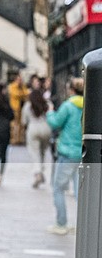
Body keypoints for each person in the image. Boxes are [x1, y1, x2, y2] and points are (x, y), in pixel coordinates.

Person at [45, 77, 83, 235]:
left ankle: (61, 223)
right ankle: (84, 224)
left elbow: (55, 123)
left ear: (71, 90)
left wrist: (49, 112)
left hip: (67, 152)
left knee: (58, 188)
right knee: (79, 191)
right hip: (82, 152)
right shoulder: (90, 105)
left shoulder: (68, 106)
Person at [23, 88, 52, 189]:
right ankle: (41, 170)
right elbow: (51, 115)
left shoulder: (28, 105)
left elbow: (24, 121)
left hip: (33, 127)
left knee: (34, 153)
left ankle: (37, 173)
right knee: (43, 152)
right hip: (46, 128)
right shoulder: (47, 104)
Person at [7, 72, 28, 145]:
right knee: (14, 125)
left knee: (20, 125)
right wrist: (22, 93)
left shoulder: (22, 87)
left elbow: (26, 93)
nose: (20, 81)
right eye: (19, 80)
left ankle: (19, 139)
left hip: (21, 108)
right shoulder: (12, 86)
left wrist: (22, 89)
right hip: (14, 107)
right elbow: (16, 94)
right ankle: (13, 139)